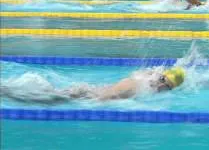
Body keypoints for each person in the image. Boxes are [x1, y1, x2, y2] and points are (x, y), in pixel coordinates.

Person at [1, 67, 185, 104]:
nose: (162, 89)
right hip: (84, 95)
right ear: (160, 78)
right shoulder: (137, 87)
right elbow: (106, 97)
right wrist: (91, 103)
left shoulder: (141, 78)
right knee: (38, 99)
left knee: (42, 95)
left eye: (168, 88)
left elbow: (142, 73)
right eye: (164, 82)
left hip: (86, 90)